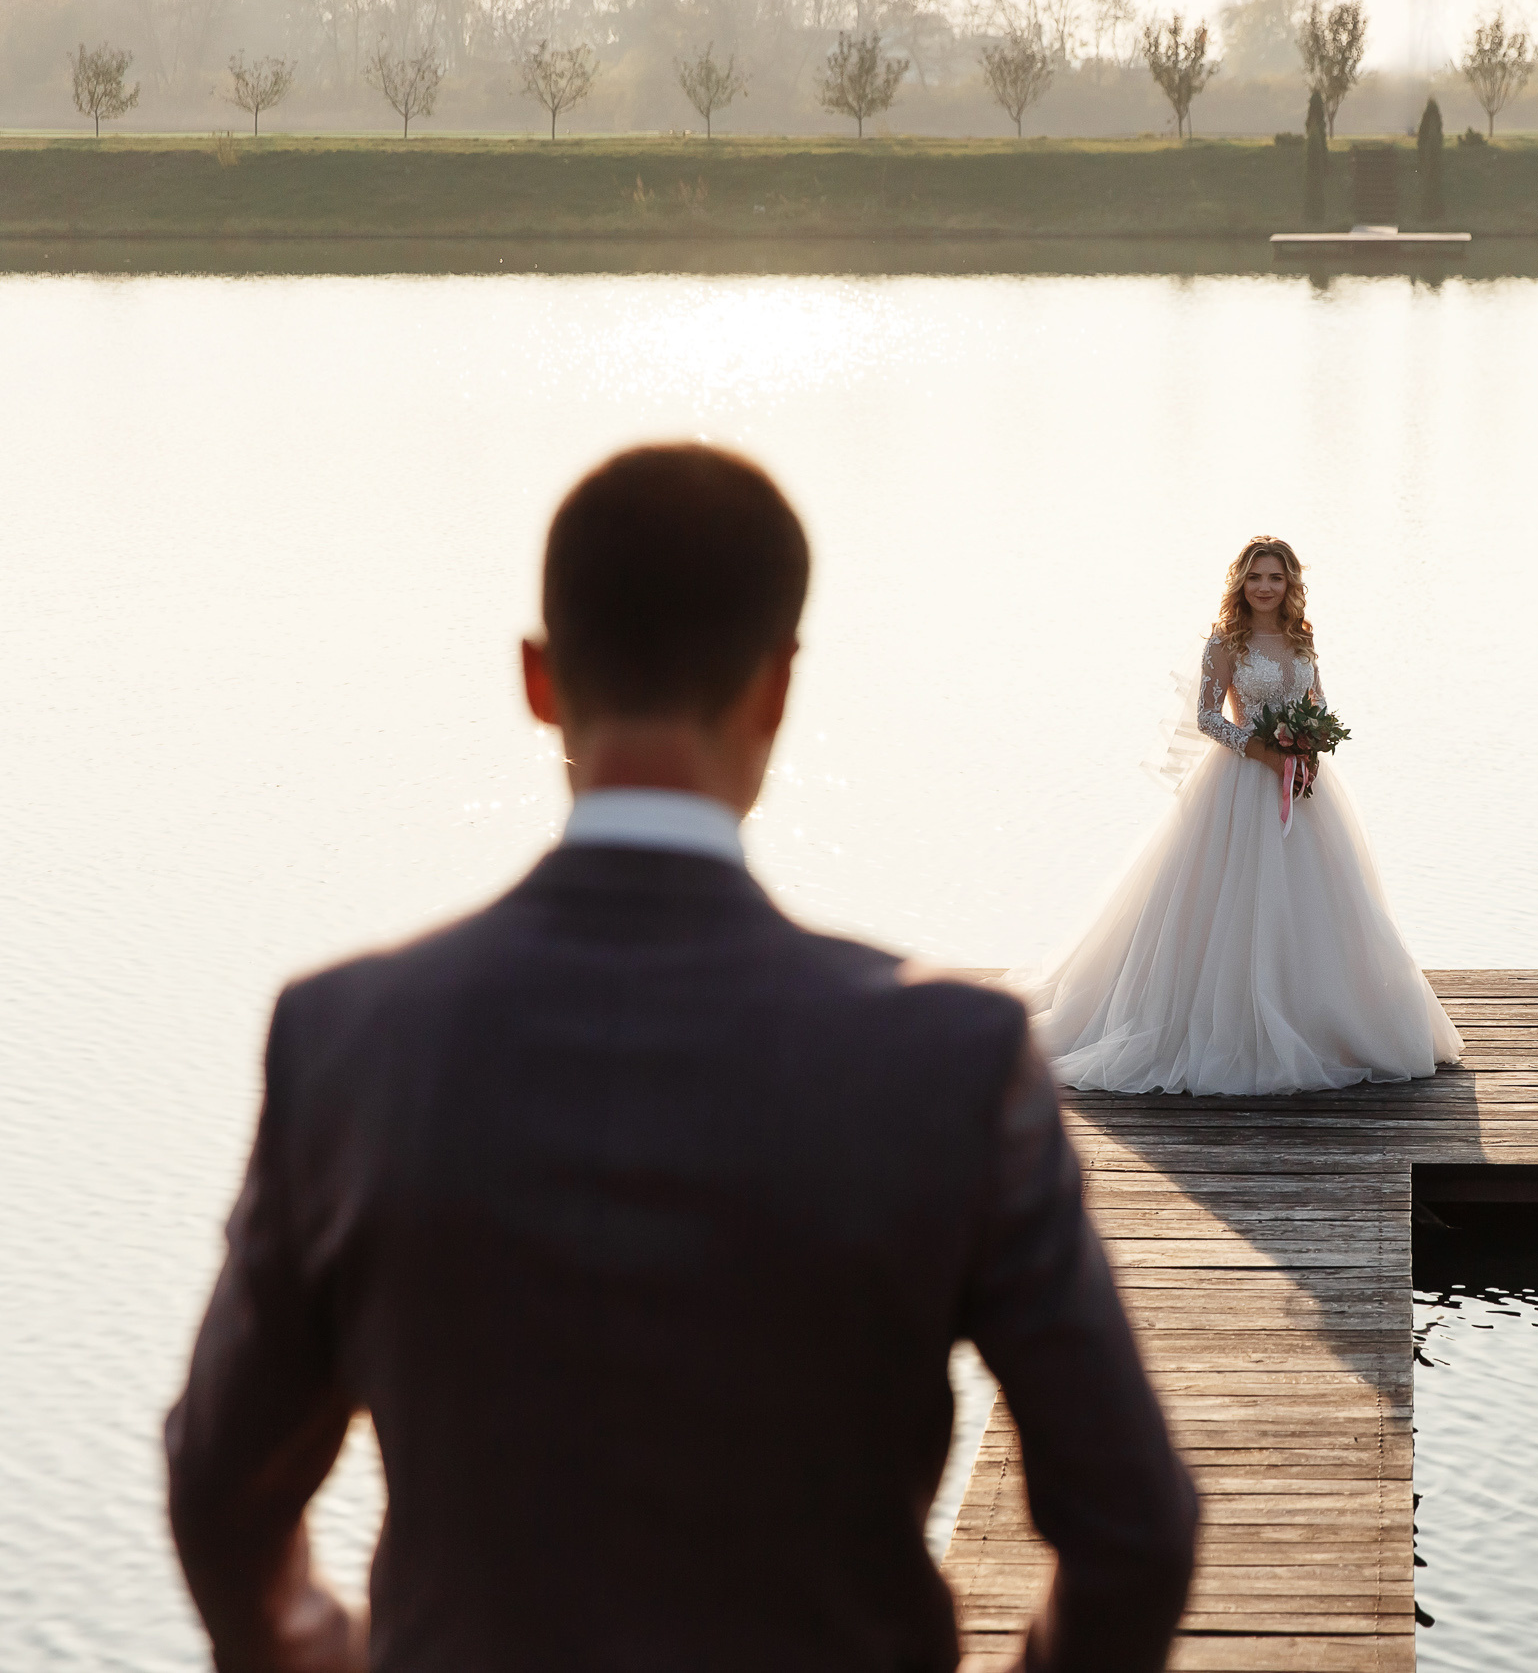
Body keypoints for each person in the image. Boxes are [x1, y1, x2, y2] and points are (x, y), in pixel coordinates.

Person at [164, 444, 1197, 1673]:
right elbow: (1132, 1530)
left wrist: (318, 1647)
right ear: (777, 686)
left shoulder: (349, 1037)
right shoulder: (948, 1062)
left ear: (540, 681)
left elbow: (224, 1487)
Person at [1010, 539, 1461, 1096]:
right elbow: (1205, 718)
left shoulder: (1303, 639)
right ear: (1240, 584)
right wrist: (1265, 751)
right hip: (1240, 781)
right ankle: (1225, 1021)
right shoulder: (1225, 642)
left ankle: (1325, 1020)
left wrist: (1309, 750)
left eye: (1275, 577)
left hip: (1301, 783)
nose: (1265, 587)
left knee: (1320, 904)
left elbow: (1318, 703)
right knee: (1228, 900)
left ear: (1291, 583)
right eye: (1255, 578)